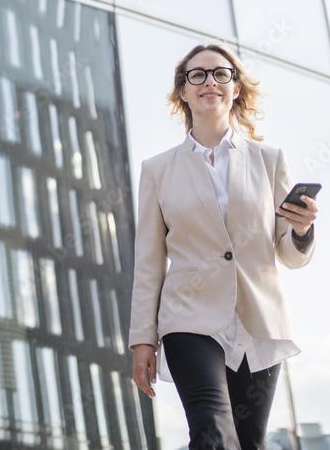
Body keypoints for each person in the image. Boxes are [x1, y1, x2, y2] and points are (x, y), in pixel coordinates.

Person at [128, 44, 318, 449]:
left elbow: (288, 252)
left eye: (220, 74)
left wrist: (301, 231)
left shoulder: (270, 160)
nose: (209, 81)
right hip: (188, 318)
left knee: (248, 442)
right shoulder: (157, 170)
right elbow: (148, 261)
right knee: (212, 431)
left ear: (235, 88)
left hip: (257, 320)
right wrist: (142, 338)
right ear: (183, 91)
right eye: (197, 75)